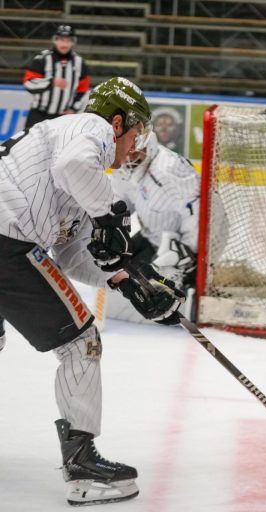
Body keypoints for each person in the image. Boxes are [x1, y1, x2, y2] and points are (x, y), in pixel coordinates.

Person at [0, 77, 185, 506]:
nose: (134, 147)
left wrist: (130, 282)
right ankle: (83, 467)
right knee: (82, 342)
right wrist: (110, 216)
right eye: (135, 133)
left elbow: (72, 255)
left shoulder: (72, 168)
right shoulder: (89, 129)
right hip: (6, 240)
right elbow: (75, 166)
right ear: (117, 122)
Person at [105, 131, 200, 323]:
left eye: (135, 152)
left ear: (150, 146)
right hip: (153, 237)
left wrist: (190, 251)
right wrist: (110, 230)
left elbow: (198, 211)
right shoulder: (122, 167)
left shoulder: (170, 168)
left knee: (158, 295)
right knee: (111, 267)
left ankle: (190, 283)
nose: (129, 158)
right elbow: (121, 203)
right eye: (126, 151)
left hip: (181, 244)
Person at [22, 25, 91, 129]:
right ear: (55, 40)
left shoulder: (79, 63)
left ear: (73, 42)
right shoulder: (42, 59)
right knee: (29, 140)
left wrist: (73, 109)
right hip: (39, 114)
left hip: (63, 117)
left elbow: (84, 90)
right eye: (61, 40)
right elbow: (28, 83)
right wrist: (50, 82)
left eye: (68, 40)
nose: (64, 44)